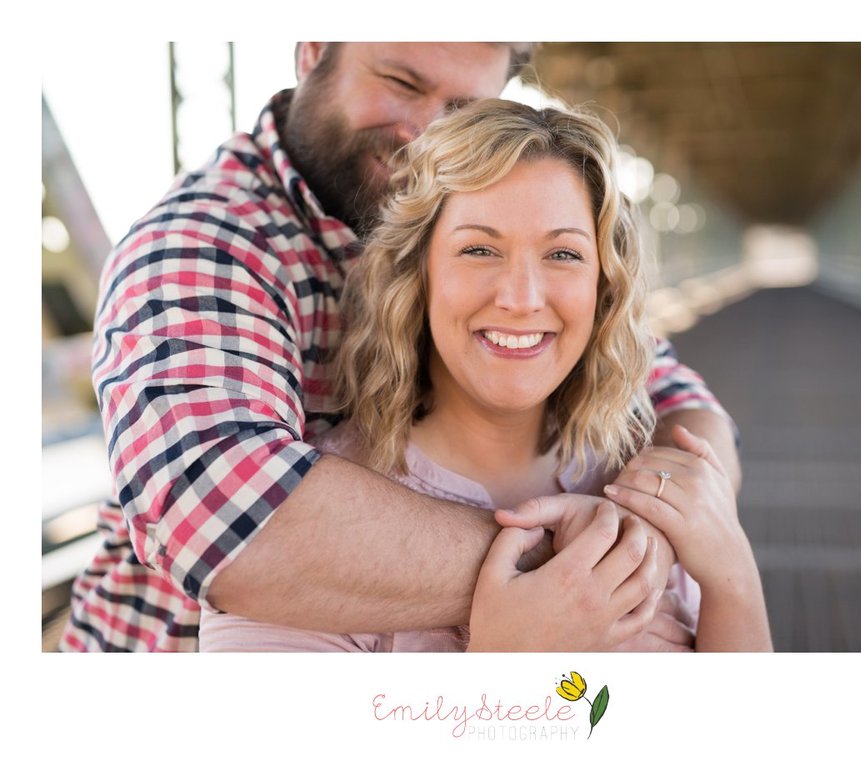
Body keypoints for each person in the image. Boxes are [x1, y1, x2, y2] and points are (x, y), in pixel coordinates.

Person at [60, 42, 739, 653]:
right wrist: (581, 560)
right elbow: (240, 526)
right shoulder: (205, 242)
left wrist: (672, 523)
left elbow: (673, 399)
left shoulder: (475, 206)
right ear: (312, 50)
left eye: (466, 107)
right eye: (402, 83)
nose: (426, 134)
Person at [199, 98, 704, 651]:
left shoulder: (639, 476)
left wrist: (733, 575)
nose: (521, 298)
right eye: (480, 249)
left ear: (603, 289)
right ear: (418, 274)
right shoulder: (312, 552)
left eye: (563, 255)